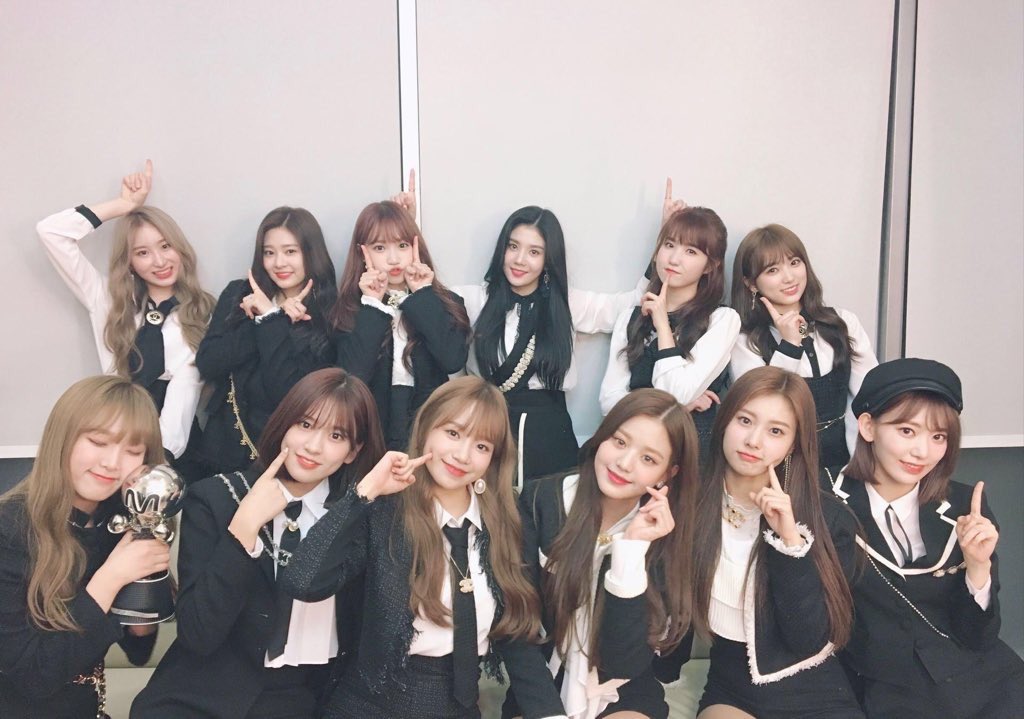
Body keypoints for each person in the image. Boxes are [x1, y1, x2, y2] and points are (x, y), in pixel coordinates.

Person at [280, 376, 567, 718]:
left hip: (460, 707)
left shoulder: (506, 522)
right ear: (426, 428)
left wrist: (551, 714)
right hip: (369, 705)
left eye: (481, 446)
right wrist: (364, 493)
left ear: (493, 458)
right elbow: (303, 582)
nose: (462, 455)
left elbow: (516, 632)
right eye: (453, 433)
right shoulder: (385, 512)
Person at [131, 368, 385, 718]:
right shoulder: (217, 498)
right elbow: (198, 635)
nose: (313, 446)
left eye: (336, 435)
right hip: (196, 701)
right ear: (284, 424)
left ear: (353, 451)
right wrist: (245, 527)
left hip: (304, 703)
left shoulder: (359, 518)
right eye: (305, 424)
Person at [659, 366, 863, 718]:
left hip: (815, 689)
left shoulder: (829, 519)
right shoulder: (686, 504)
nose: (754, 441)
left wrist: (790, 543)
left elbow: (805, 639)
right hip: (732, 687)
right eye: (745, 421)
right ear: (724, 421)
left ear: (792, 444)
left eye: (775, 431)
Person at [831, 358, 1024, 717]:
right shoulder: (824, 500)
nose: (922, 452)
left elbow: (979, 636)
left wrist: (978, 568)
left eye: (938, 437)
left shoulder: (966, 504)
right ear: (868, 427)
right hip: (888, 694)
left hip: (989, 684)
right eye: (907, 431)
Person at [512, 388, 697, 719]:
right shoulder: (542, 500)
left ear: (668, 474)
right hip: (542, 683)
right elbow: (515, 627)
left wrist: (631, 550)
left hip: (622, 687)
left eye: (648, 459)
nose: (624, 463)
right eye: (620, 441)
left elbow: (623, 662)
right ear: (602, 436)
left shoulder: (666, 534)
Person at [0, 376, 170, 718]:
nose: (112, 463)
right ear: (62, 438)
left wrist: (146, 575)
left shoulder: (118, 522)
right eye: (98, 442)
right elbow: (33, 676)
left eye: (133, 451)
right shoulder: (10, 528)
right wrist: (112, 577)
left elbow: (139, 648)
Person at [36, 161, 214, 477]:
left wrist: (157, 460)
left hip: (177, 447)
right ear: (129, 262)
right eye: (142, 252)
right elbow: (51, 233)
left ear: (180, 249)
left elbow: (186, 388)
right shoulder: (107, 300)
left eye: (165, 246)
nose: (159, 261)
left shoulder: (205, 311)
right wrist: (122, 206)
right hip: (111, 434)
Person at [197, 207, 338, 475]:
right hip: (222, 450)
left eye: (290, 251)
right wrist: (263, 320)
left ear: (311, 252)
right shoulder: (239, 294)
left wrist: (272, 321)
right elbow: (208, 362)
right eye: (269, 252)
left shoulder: (329, 313)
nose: (279, 263)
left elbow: (289, 394)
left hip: (285, 459)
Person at [729, 224, 877, 477]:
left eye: (794, 263)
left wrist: (860, 463)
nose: (789, 277)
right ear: (751, 284)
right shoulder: (744, 339)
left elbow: (869, 396)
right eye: (773, 270)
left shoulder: (842, 323)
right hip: (779, 465)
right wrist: (789, 346)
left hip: (845, 460)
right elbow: (762, 405)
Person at [599, 198, 739, 459]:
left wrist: (663, 326)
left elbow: (676, 392)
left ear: (710, 266)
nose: (674, 259)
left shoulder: (722, 320)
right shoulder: (630, 318)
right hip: (630, 451)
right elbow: (608, 402)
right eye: (669, 245)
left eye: (691, 251)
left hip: (688, 453)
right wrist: (681, 407)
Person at [331, 200, 470, 450]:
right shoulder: (351, 308)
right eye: (380, 247)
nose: (394, 258)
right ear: (363, 253)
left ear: (416, 247)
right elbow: (352, 378)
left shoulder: (444, 302)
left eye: (402, 245)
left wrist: (422, 295)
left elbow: (453, 359)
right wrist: (373, 304)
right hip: (368, 432)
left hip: (429, 426)